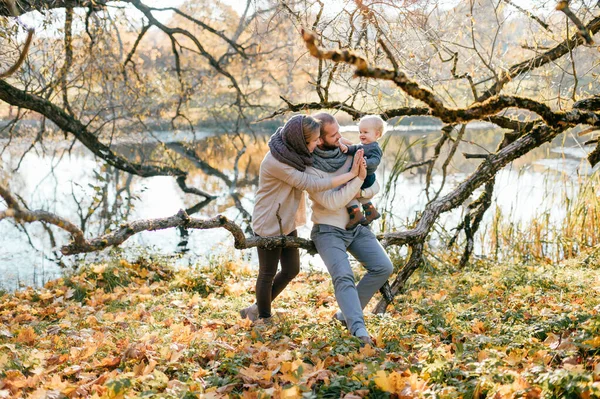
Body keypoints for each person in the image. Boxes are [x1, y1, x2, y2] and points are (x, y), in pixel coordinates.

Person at [240, 114, 365, 323]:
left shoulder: (293, 148)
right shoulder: (277, 161)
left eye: (318, 139)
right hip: (269, 222)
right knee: (267, 272)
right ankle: (263, 317)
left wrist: (339, 140)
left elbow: (322, 135)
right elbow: (311, 183)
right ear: (302, 141)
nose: (317, 144)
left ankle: (255, 309)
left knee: (291, 269)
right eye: (314, 141)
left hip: (286, 220)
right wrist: (352, 174)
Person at [309, 112, 393, 346]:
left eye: (339, 131)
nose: (340, 137)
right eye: (334, 134)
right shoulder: (311, 166)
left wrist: (360, 188)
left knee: (383, 267)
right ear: (319, 138)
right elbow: (332, 202)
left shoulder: (347, 151)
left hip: (356, 226)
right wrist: (357, 180)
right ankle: (358, 329)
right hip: (328, 228)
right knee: (344, 276)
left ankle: (344, 314)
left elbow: (373, 184)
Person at [338, 115, 385, 229]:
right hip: (362, 176)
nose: (361, 135)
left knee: (348, 190)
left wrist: (366, 162)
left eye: (365, 132)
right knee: (354, 190)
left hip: (366, 177)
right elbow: (355, 148)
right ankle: (370, 211)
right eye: (360, 132)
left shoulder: (374, 148)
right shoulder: (364, 145)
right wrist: (347, 149)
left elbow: (376, 160)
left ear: (377, 134)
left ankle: (356, 214)